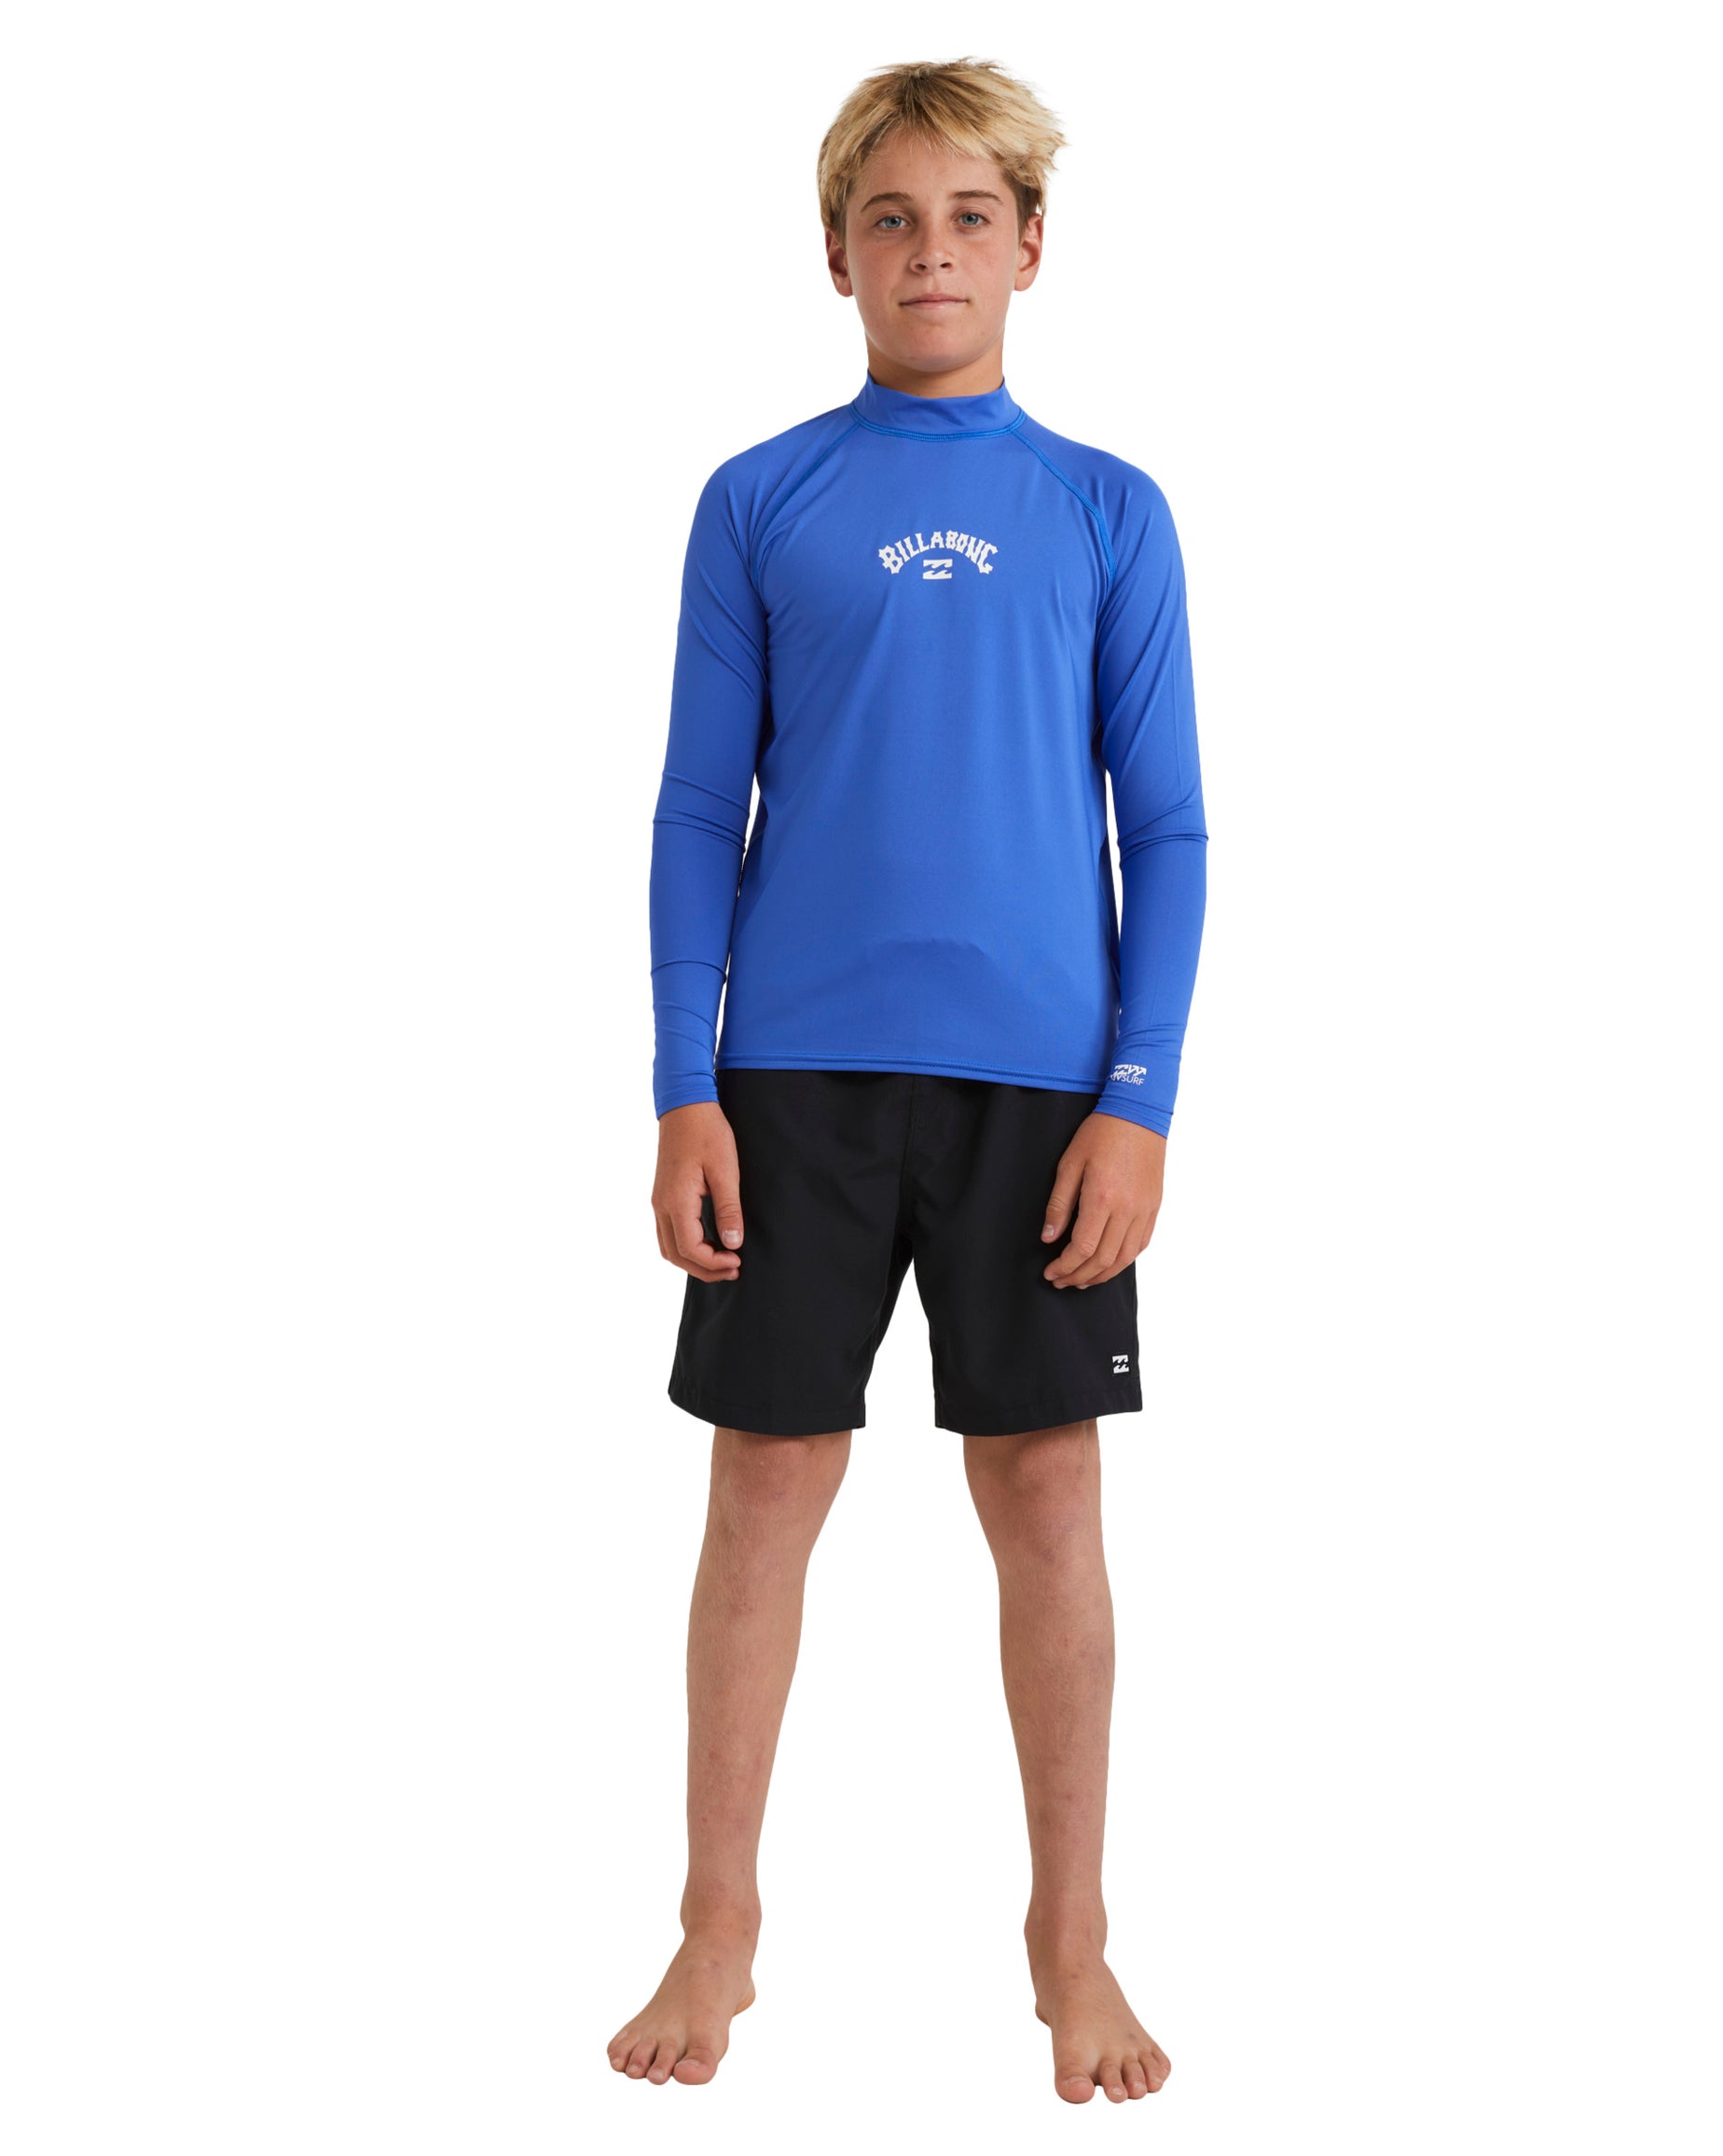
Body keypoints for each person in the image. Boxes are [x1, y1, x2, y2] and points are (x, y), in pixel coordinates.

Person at [612, 57, 1206, 2106]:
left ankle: (1070, 1942)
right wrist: (682, 1077)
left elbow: (1168, 826)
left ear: (1030, 248)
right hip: (788, 1076)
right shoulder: (760, 499)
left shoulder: (1108, 510)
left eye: (966, 218)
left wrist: (1138, 1099)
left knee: (1044, 1493)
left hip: (1041, 1089)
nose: (927, 252)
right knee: (765, 1485)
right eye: (889, 219)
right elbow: (696, 807)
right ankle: (717, 1922)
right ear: (835, 255)